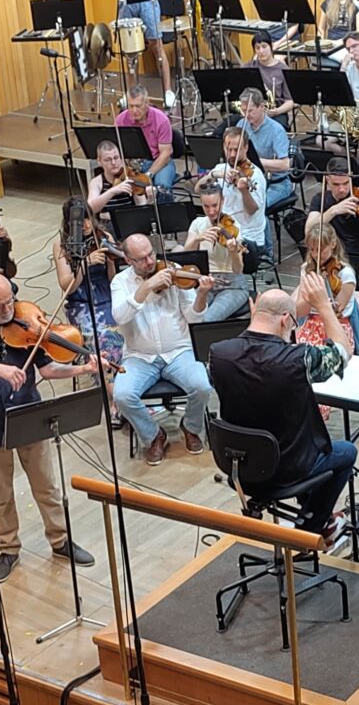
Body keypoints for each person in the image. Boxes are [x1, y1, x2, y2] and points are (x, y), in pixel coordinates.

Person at [0, 271, 97, 582]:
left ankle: (60, 540)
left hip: (29, 414)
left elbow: (49, 369)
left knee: (46, 485)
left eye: (9, 301)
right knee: (0, 493)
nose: (6, 310)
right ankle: (8, 548)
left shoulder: (24, 318)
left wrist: (84, 367)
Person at [209, 277, 356, 547]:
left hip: (239, 465)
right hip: (287, 468)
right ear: (286, 320)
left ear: (254, 312)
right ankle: (310, 529)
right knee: (345, 452)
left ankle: (316, 519)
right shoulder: (297, 359)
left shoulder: (218, 354)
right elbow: (343, 353)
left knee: (306, 441)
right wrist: (323, 306)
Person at [110, 232, 212, 465]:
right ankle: (154, 434)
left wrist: (202, 296)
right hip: (139, 356)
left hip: (179, 351)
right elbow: (120, 316)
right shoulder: (120, 283)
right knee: (122, 395)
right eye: (142, 259)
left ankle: (191, 426)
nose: (150, 262)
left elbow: (194, 318)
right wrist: (146, 287)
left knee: (203, 386)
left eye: (150, 255)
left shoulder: (174, 271)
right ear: (128, 260)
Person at [52, 199, 124, 424]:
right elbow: (67, 286)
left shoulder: (104, 236)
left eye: (87, 217)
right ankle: (118, 400)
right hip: (81, 303)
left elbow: (114, 282)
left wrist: (111, 262)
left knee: (125, 340)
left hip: (107, 297)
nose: (84, 224)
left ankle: (124, 393)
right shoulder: (62, 245)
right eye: (78, 219)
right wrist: (84, 263)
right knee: (101, 342)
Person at [306, 158, 359, 317]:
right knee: (301, 302)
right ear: (327, 180)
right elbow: (308, 231)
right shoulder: (319, 200)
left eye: (346, 183)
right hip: (327, 261)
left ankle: (354, 340)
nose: (342, 189)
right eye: (336, 184)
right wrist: (333, 210)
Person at [196, 128, 269, 272]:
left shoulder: (255, 176)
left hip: (248, 238)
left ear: (246, 148)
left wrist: (244, 190)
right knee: (196, 238)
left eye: (236, 150)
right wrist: (216, 174)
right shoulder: (221, 168)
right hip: (224, 230)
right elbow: (198, 189)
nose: (232, 154)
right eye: (228, 150)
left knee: (209, 257)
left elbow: (252, 209)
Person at [183, 184, 250, 323]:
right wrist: (197, 239)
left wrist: (233, 252)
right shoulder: (197, 224)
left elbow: (239, 270)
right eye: (206, 206)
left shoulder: (234, 226)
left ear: (223, 201)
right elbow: (185, 256)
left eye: (215, 205)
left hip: (232, 285)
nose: (211, 211)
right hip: (206, 281)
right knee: (189, 316)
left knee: (208, 319)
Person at [296, 222, 357, 358]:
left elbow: (336, 312)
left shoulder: (345, 273)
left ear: (333, 244)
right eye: (312, 250)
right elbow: (300, 312)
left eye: (321, 250)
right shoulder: (307, 268)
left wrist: (322, 296)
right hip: (310, 324)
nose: (316, 255)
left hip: (337, 326)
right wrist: (310, 295)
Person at [115, 84, 179, 198]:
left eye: (138, 106)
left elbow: (165, 154)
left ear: (147, 103)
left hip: (160, 162)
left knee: (161, 187)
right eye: (131, 106)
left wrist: (148, 175)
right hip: (133, 164)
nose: (134, 110)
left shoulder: (161, 120)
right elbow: (117, 148)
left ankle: (164, 214)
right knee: (119, 188)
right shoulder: (120, 120)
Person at [237, 87, 293, 209]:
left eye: (250, 111)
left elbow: (285, 165)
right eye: (244, 111)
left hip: (277, 183)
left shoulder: (276, 130)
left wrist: (255, 161)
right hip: (250, 179)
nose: (246, 115)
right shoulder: (241, 125)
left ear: (262, 107)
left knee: (257, 206)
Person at [245, 32, 294, 127]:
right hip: (252, 112)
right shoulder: (250, 67)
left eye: (264, 46)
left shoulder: (284, 70)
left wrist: (277, 111)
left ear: (271, 46)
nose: (261, 51)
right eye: (257, 48)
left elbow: (290, 101)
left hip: (276, 113)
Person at [87, 140, 146, 217]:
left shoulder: (130, 177)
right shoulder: (96, 182)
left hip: (130, 221)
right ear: (99, 161)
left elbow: (141, 206)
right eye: (108, 160)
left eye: (116, 158)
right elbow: (91, 208)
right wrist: (112, 191)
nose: (113, 163)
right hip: (108, 225)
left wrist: (147, 198)